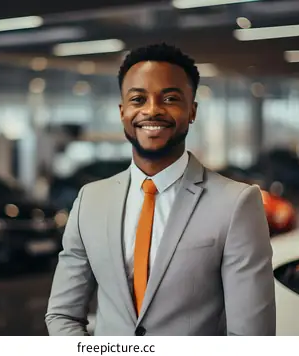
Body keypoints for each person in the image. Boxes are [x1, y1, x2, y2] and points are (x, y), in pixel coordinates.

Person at [45, 43, 276, 336]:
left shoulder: (236, 203)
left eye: (169, 98)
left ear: (192, 111)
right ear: (123, 111)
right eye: (138, 99)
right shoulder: (90, 200)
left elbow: (251, 337)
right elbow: (62, 314)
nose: (152, 110)